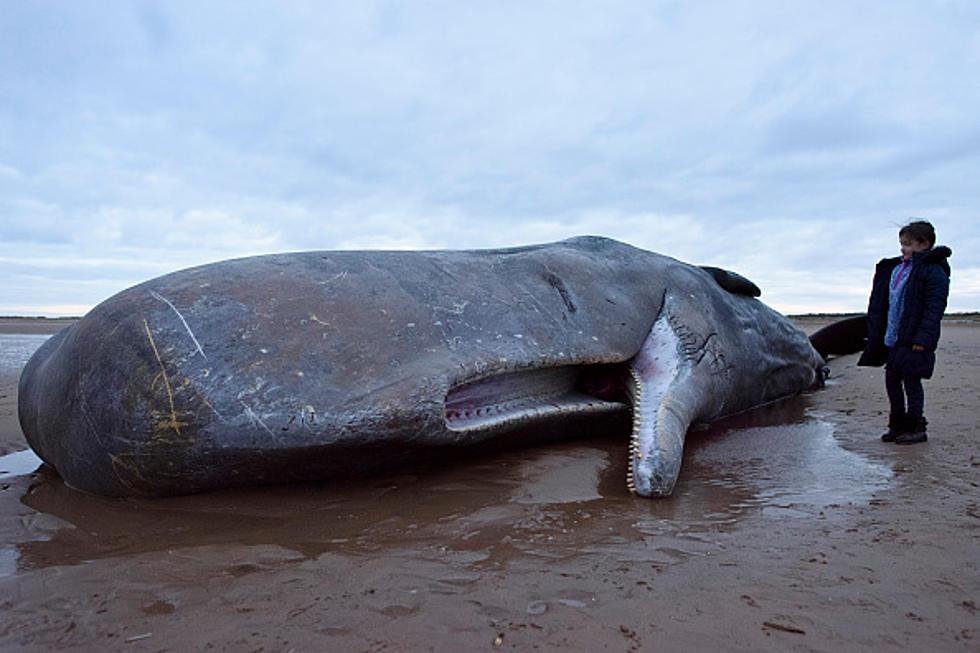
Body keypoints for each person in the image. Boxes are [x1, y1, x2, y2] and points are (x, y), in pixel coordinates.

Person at [857, 220, 951, 444]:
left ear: (924, 244)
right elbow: (884, 303)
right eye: (901, 243)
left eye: (907, 244)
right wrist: (876, 332)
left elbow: (933, 309)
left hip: (914, 339)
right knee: (892, 381)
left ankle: (917, 427)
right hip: (894, 338)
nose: (902, 248)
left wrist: (923, 338)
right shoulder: (897, 268)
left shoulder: (933, 272)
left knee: (911, 382)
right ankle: (897, 426)